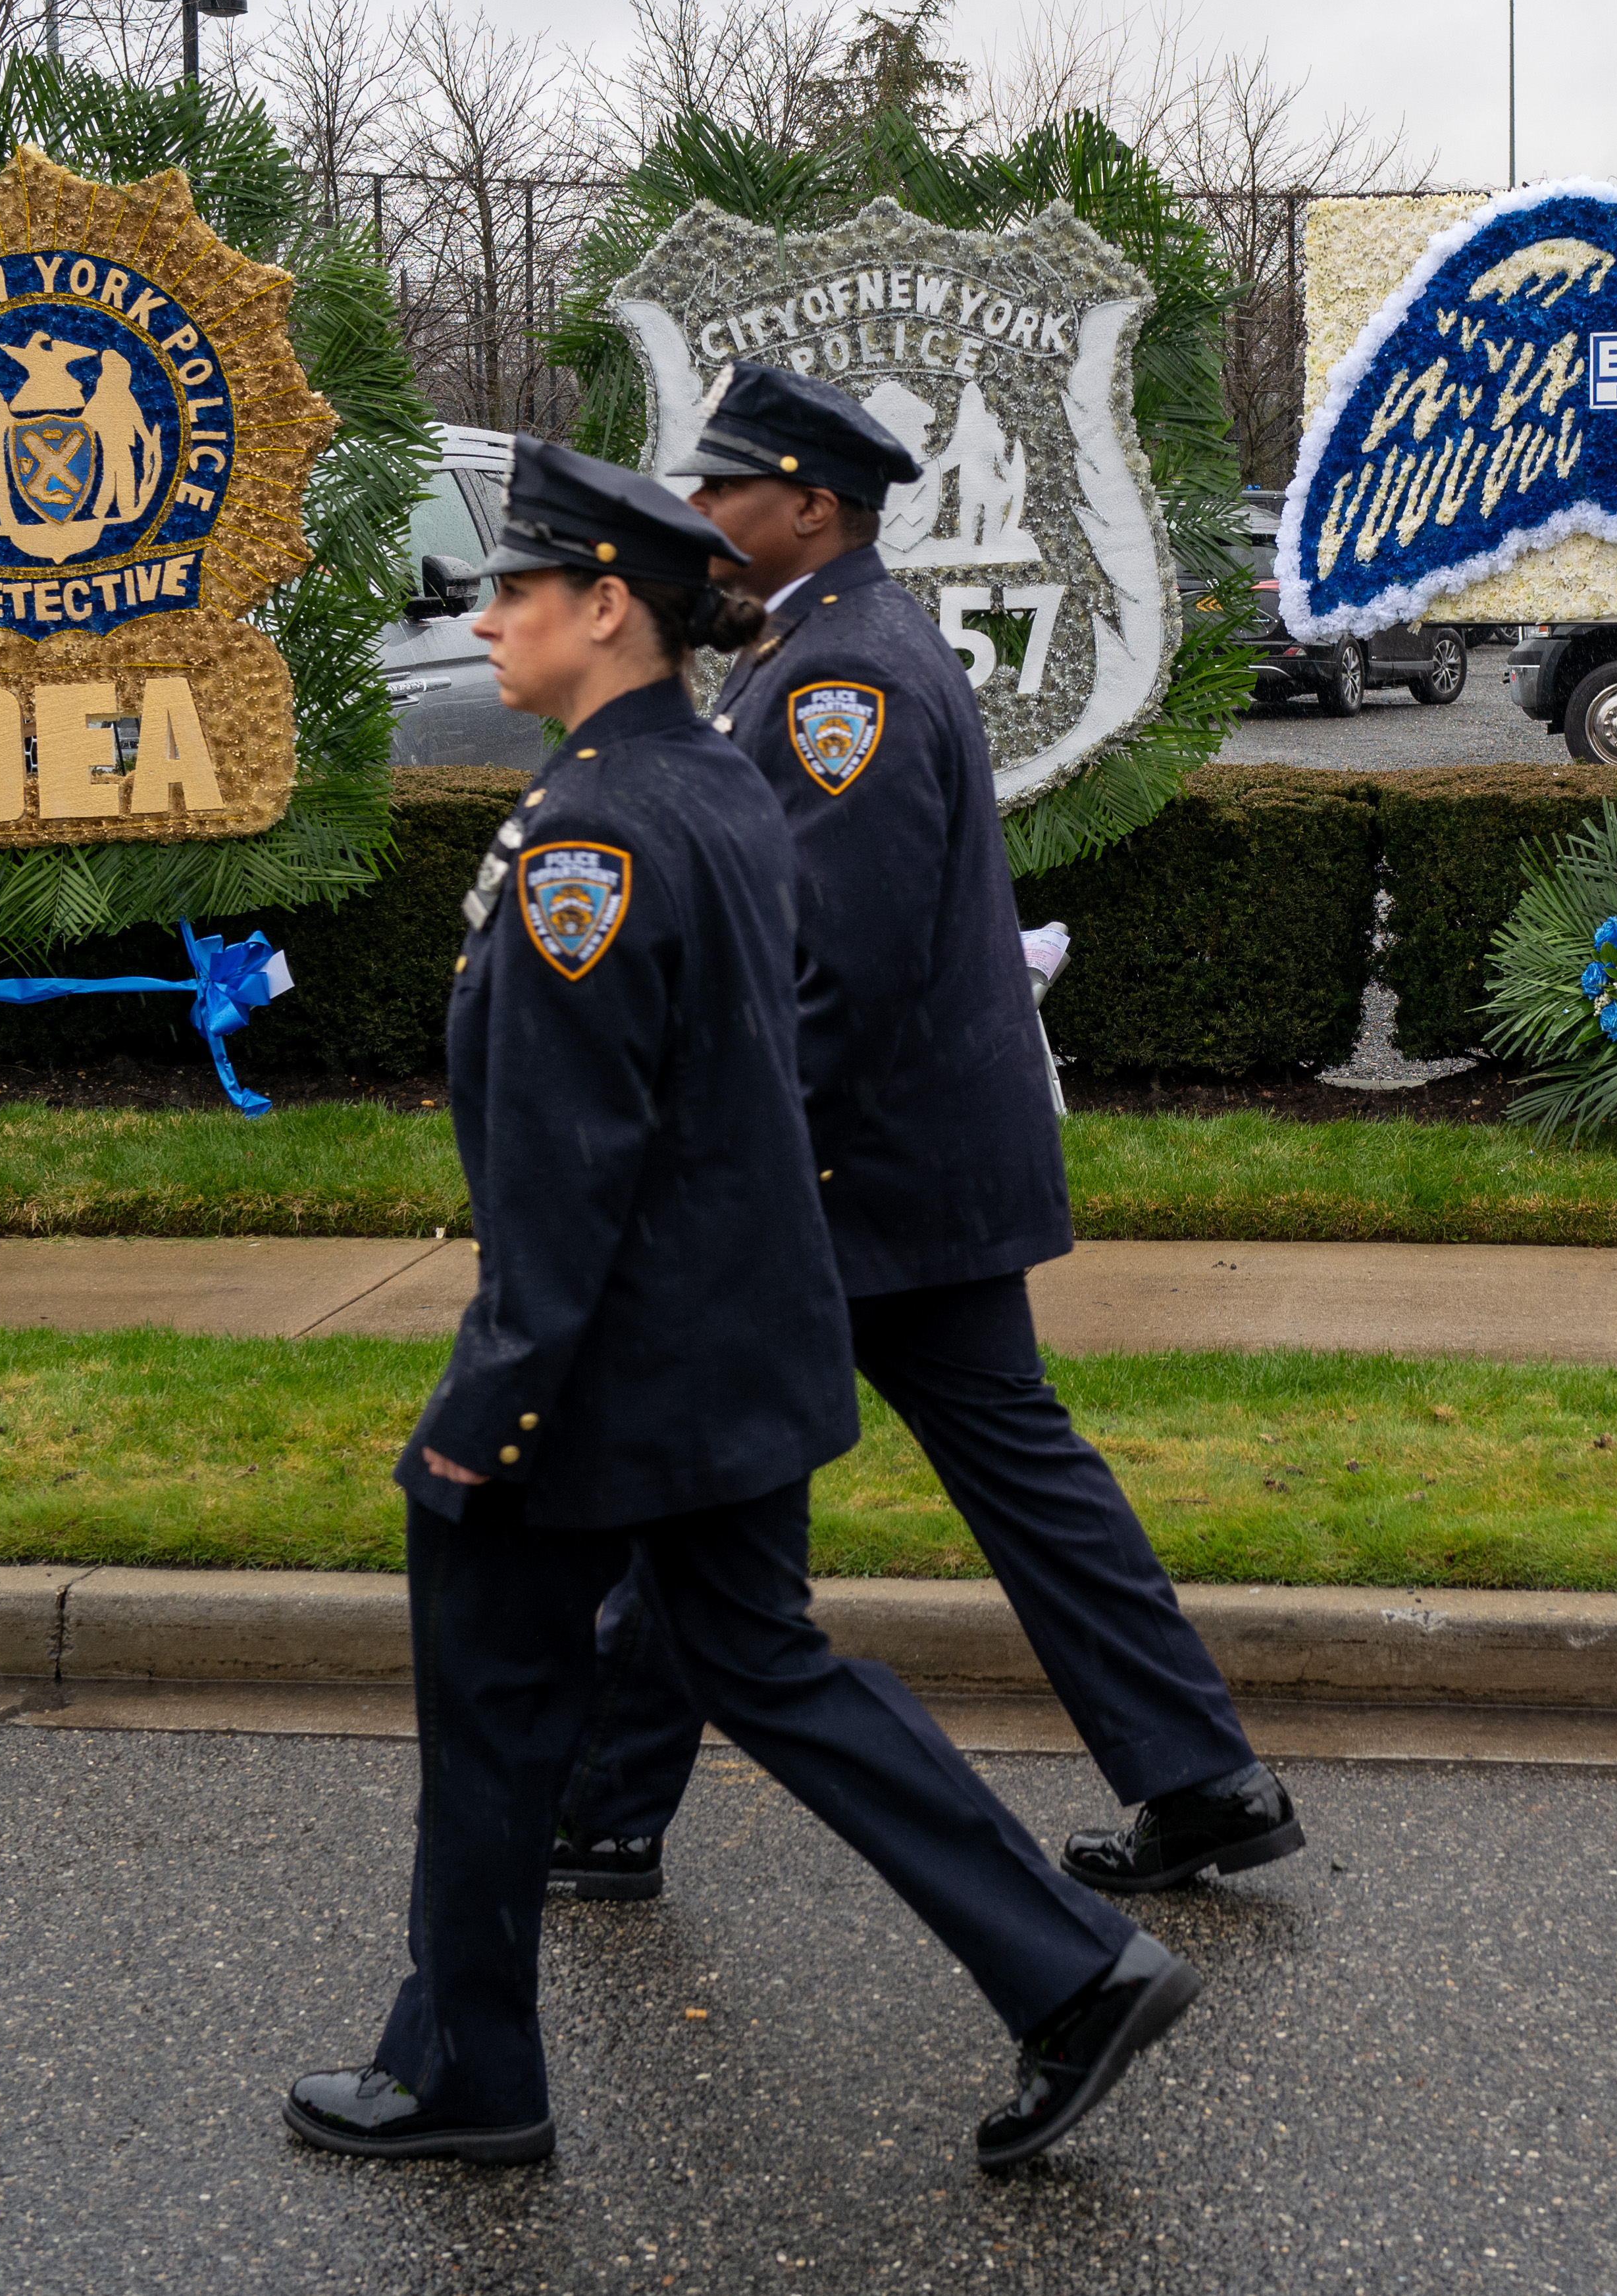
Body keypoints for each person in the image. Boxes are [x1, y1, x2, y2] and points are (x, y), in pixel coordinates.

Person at [282, 436, 1194, 2176]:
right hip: (738, 1345)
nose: (487, 622)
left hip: (618, 1380)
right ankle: (1072, 1967)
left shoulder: (596, 839)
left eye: (517, 590)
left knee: (491, 1698)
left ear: (605, 608)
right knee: (769, 1664)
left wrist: (491, 1415)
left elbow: (571, 1174)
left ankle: (468, 2067)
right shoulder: (715, 784)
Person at [544, 361, 1304, 1912]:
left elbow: (844, 964)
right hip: (913, 1170)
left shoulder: (843, 680)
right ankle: (1202, 1776)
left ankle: (605, 1811)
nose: (695, 512)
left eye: (722, 488)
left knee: (702, 1476)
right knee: (992, 1474)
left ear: (810, 504)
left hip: (854, 1174)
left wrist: (726, 1167)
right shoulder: (817, 646)